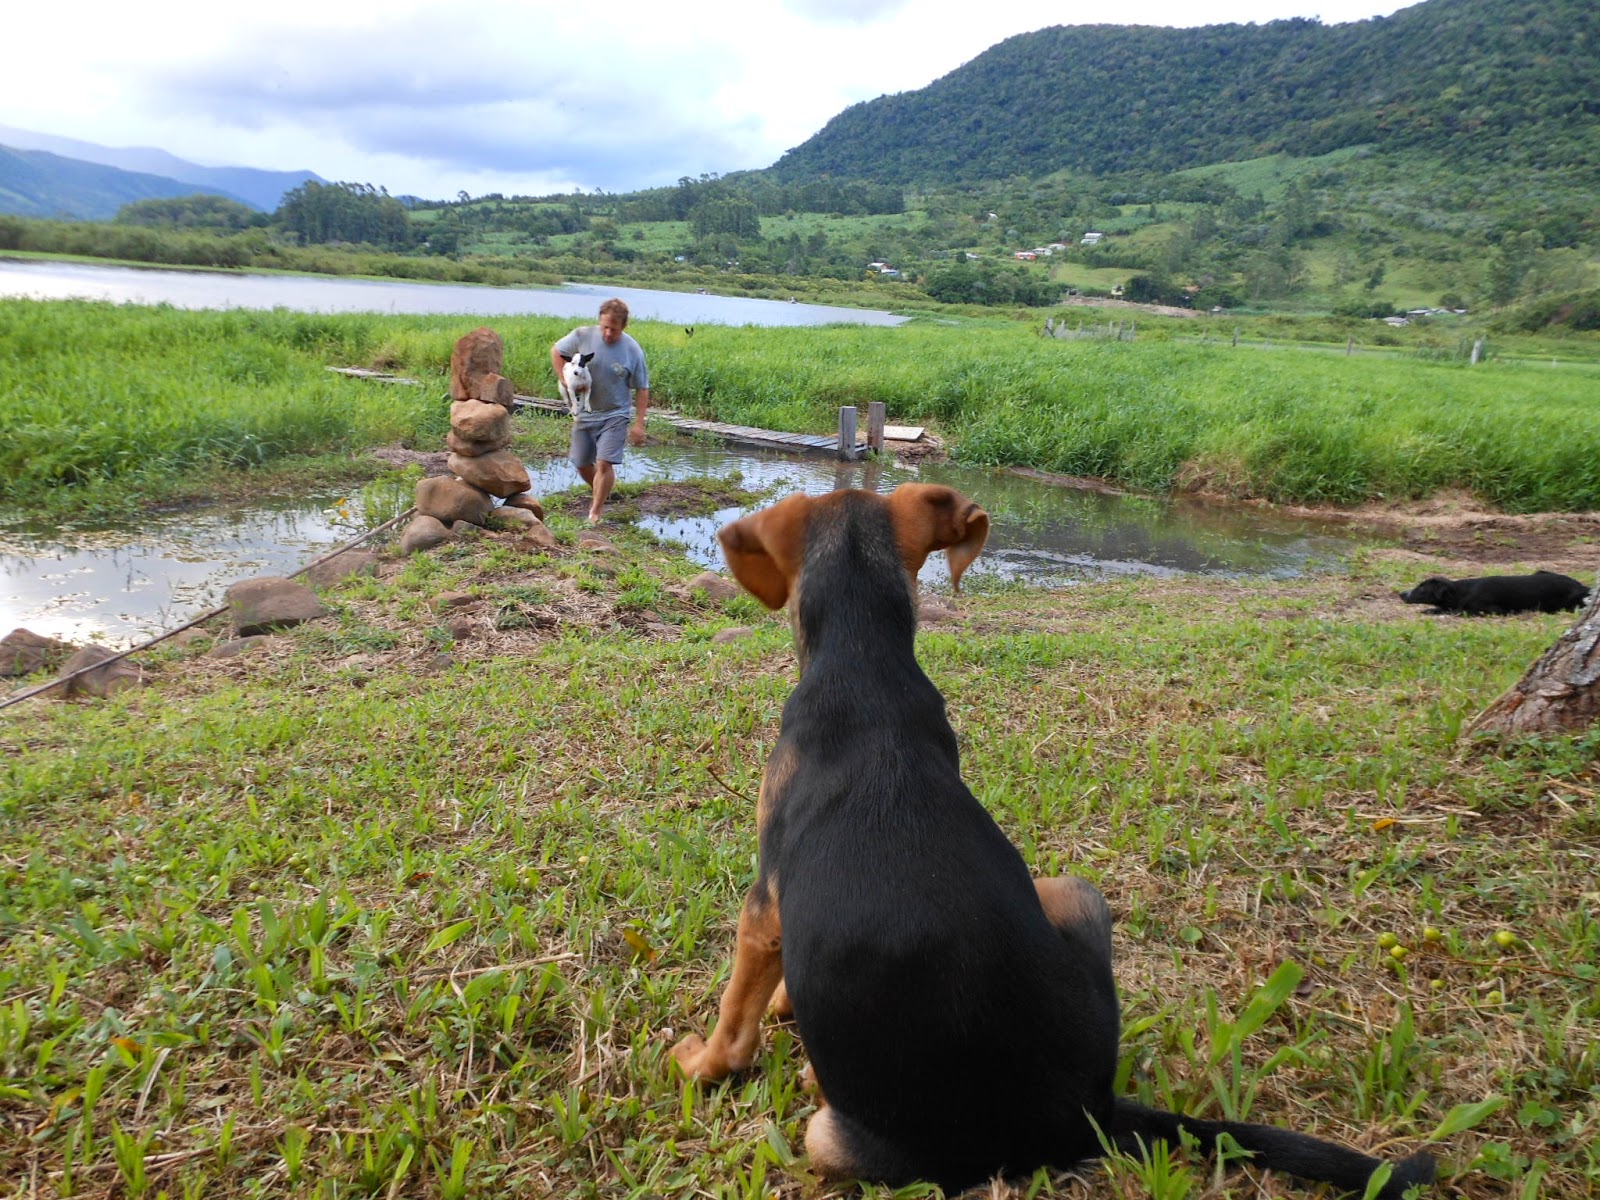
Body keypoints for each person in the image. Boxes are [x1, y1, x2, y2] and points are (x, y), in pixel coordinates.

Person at [551, 298, 650, 523]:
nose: (608, 333)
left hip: (615, 413)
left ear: (623, 326)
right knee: (581, 463)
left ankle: (595, 513)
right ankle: (603, 490)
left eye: (614, 329)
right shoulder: (582, 335)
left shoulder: (632, 350)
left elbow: (642, 388)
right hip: (586, 413)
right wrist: (565, 381)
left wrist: (639, 424)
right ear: (599, 322)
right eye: (604, 327)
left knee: (605, 462)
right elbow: (556, 351)